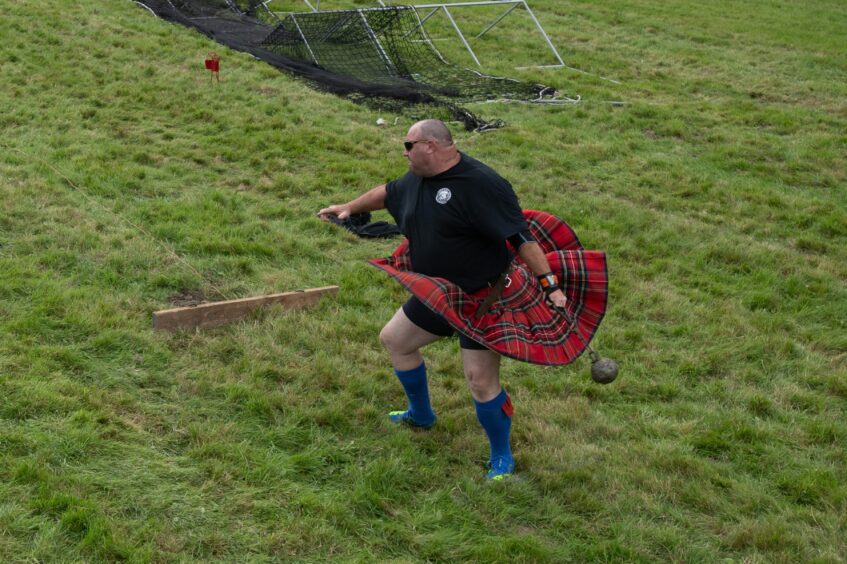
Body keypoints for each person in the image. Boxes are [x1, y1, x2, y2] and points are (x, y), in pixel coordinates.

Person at [319, 119, 570, 481]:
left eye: (408, 145)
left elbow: (522, 238)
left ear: (431, 147)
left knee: (480, 380)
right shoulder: (418, 177)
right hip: (439, 292)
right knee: (396, 340)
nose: (403, 151)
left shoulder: (482, 184)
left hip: (483, 298)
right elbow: (388, 193)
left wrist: (550, 284)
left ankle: (502, 457)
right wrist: (348, 207)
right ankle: (421, 415)